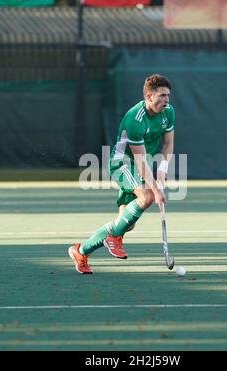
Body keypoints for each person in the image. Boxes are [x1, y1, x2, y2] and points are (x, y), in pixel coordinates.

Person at [68, 74, 175, 274]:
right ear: (149, 97)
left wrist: (162, 170)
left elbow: (168, 143)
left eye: (168, 95)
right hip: (122, 162)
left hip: (141, 163)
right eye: (161, 95)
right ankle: (114, 239)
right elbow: (139, 160)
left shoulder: (168, 112)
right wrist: (156, 189)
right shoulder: (135, 120)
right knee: (147, 196)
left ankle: (80, 251)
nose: (166, 100)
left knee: (125, 223)